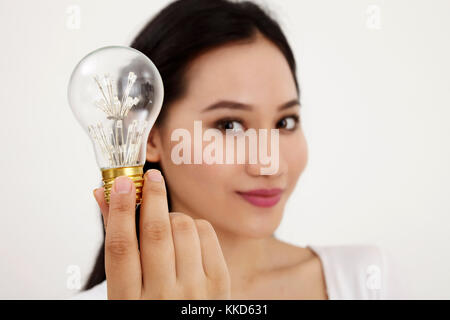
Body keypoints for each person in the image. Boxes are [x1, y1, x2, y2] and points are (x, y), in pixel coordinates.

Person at [72, 0, 406, 299]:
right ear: (147, 135)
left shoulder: (366, 280)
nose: (269, 165)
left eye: (286, 122)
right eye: (230, 125)